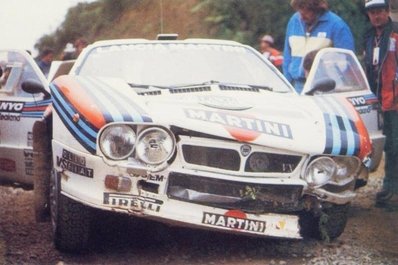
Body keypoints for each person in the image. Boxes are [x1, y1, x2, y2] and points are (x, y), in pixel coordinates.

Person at [363, 0, 398, 205]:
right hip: (379, 100)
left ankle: (393, 188)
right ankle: (388, 186)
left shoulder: (395, 33)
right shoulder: (368, 37)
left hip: (394, 100)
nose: (376, 16)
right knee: (387, 146)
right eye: (372, 12)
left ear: (387, 12)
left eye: (380, 11)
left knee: (395, 146)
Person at [283, 0, 355, 93]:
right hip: (296, 86)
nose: (301, 17)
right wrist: (286, 85)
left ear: (318, 9)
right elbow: (287, 57)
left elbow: (347, 64)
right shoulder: (294, 21)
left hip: (324, 88)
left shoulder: (337, 25)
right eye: (299, 11)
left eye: (306, 12)